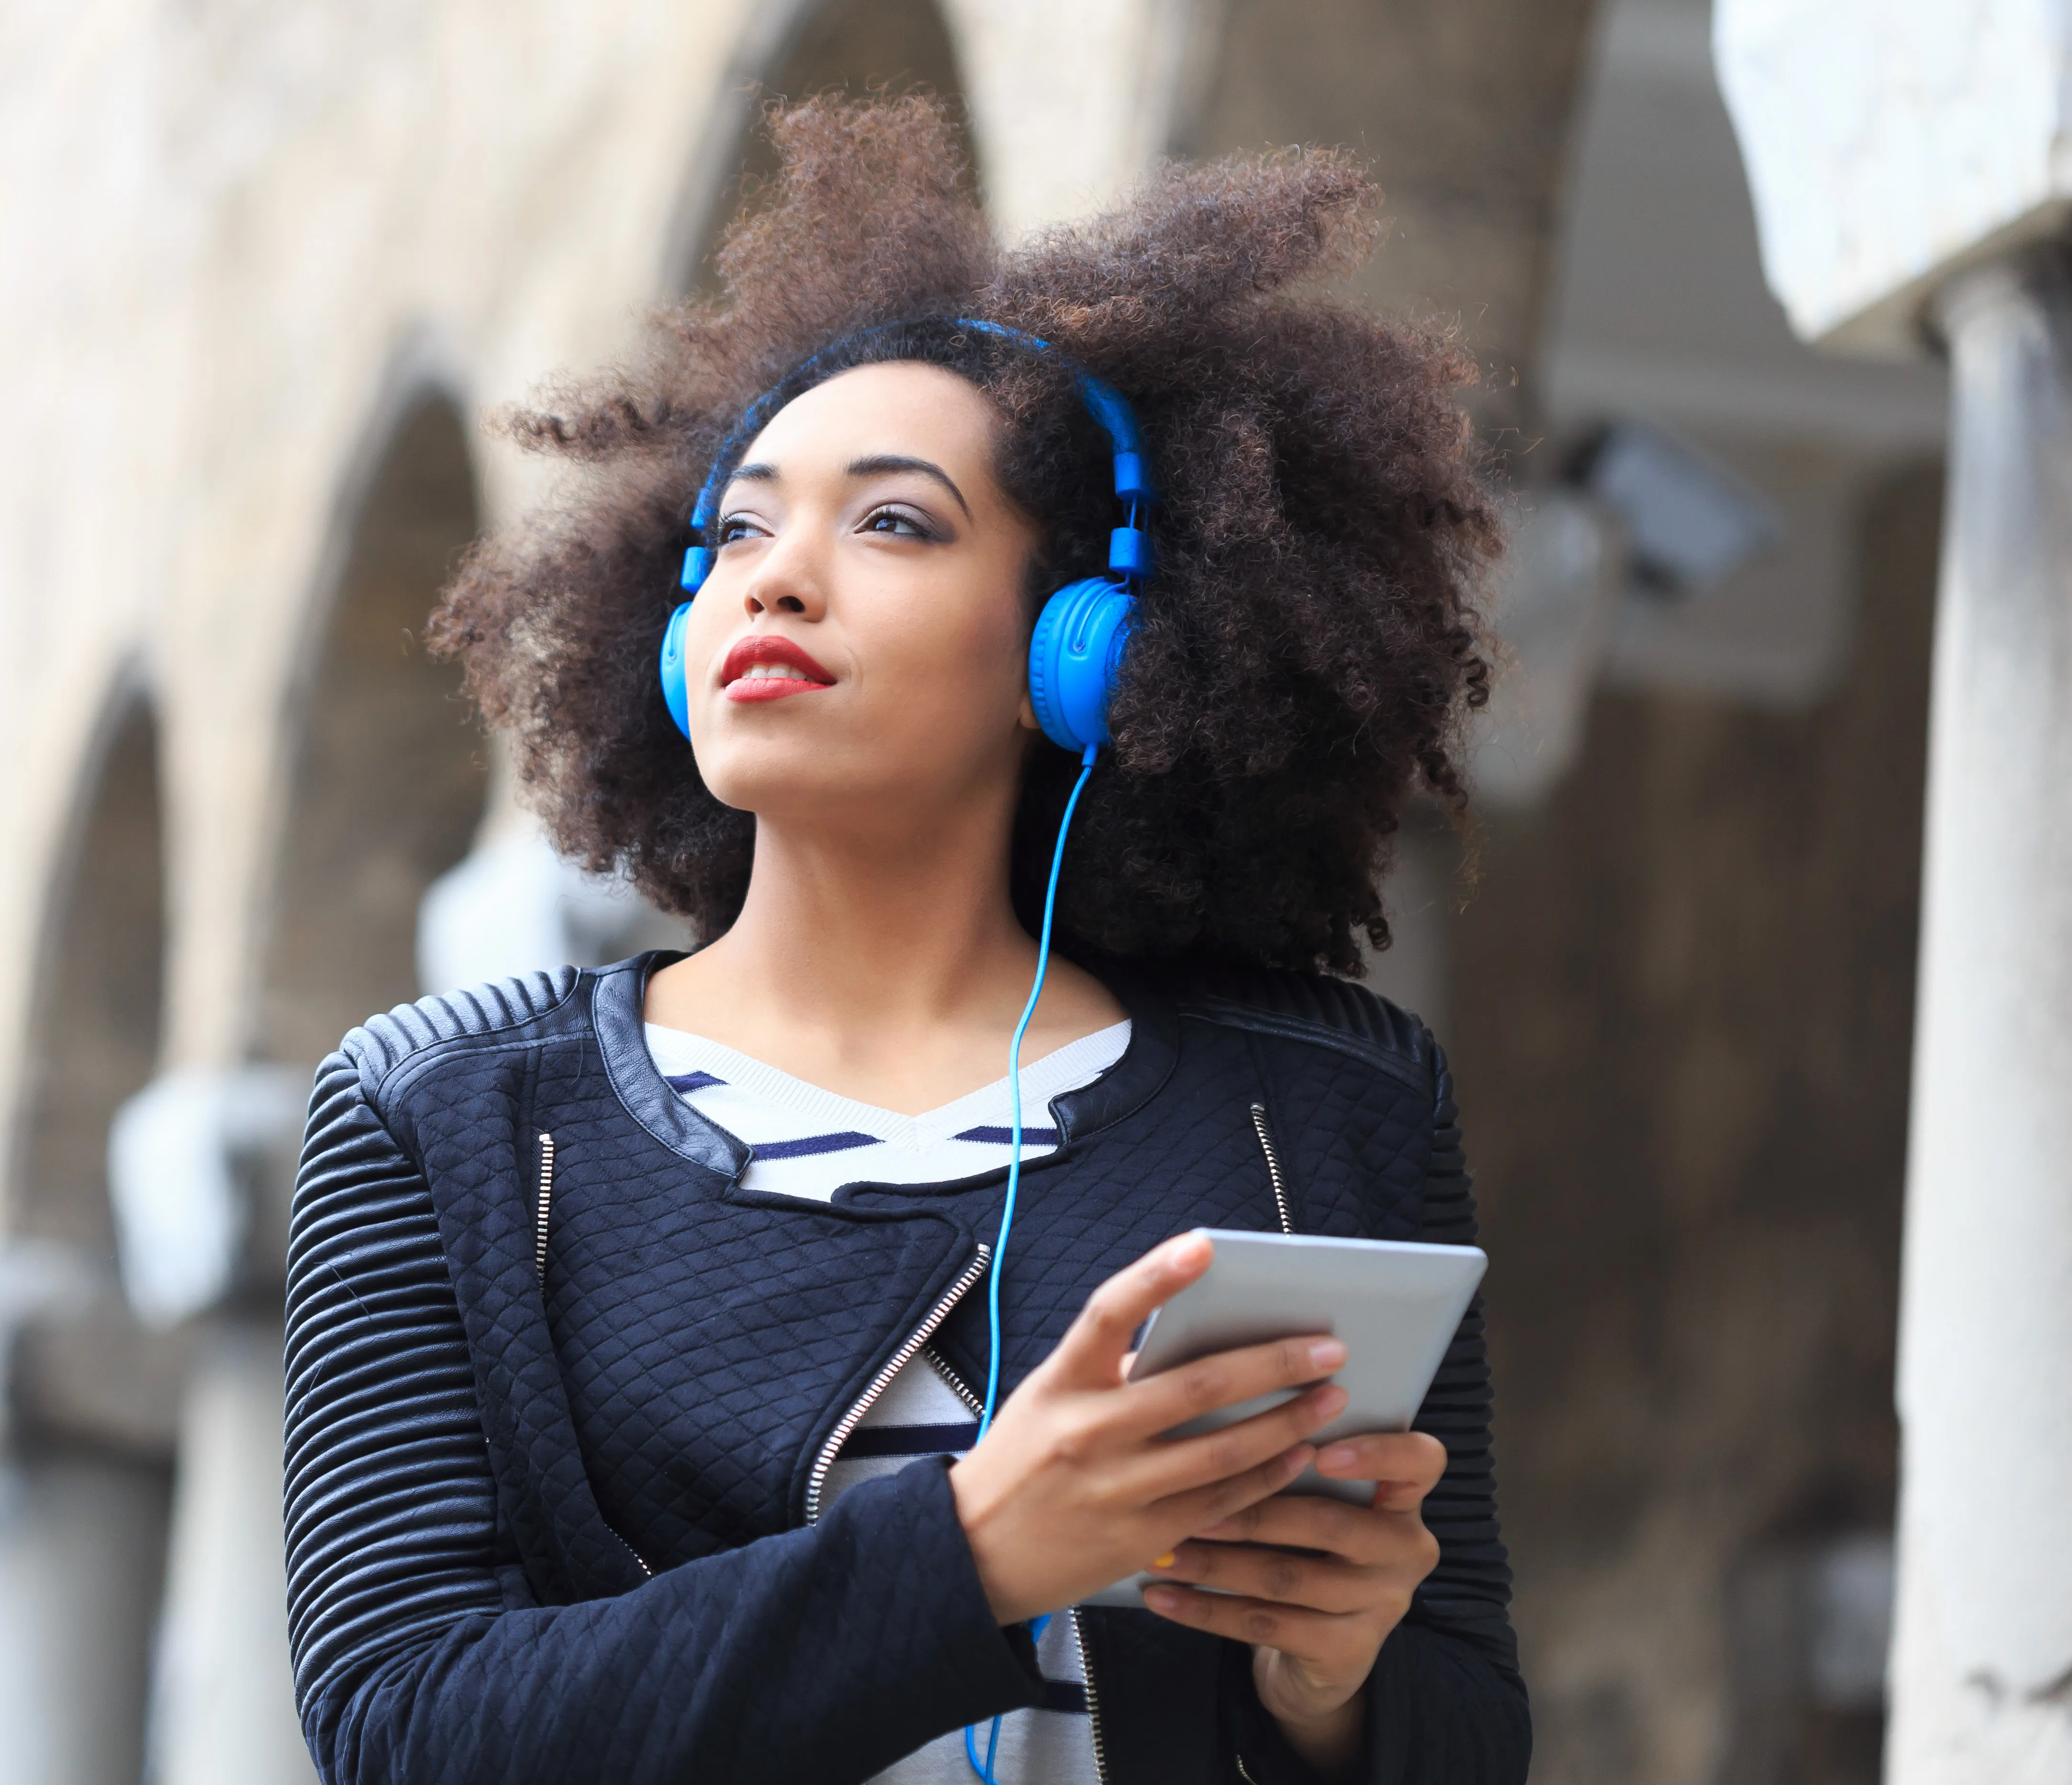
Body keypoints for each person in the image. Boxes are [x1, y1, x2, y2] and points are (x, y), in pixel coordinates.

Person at [281, 97, 1522, 1784]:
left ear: (1082, 650)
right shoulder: (445, 1114)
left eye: (890, 522)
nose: (774, 582)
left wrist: (1332, 1680)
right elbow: (407, 1725)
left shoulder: (1327, 1103)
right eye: (737, 531)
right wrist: (976, 1552)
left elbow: (1465, 1730)